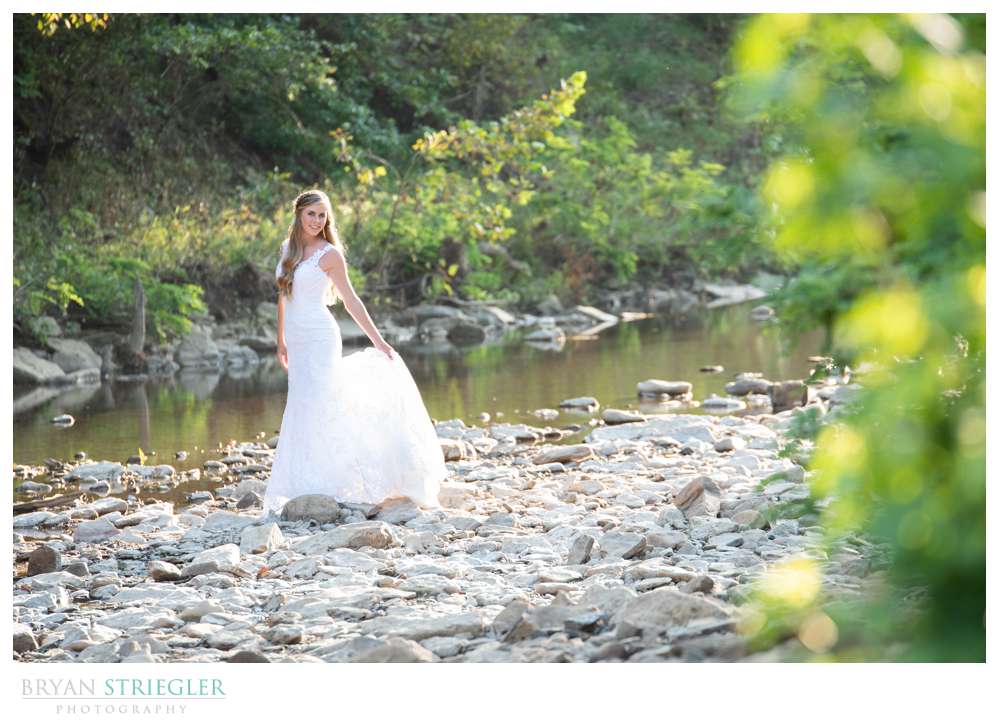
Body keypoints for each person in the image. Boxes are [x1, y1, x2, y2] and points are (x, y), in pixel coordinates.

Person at [262, 189, 446, 514]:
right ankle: (305, 484)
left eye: (323, 215)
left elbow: (350, 299)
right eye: (312, 214)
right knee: (302, 407)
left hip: (320, 337)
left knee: (324, 403)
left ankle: (341, 481)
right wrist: (281, 340)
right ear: (299, 214)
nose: (318, 221)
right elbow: (283, 297)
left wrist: (379, 340)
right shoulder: (288, 250)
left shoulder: (329, 254)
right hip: (297, 340)